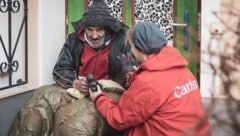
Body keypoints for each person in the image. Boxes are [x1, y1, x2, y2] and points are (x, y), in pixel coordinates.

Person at [9, 0, 137, 135]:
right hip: (77, 89)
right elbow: (60, 69)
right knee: (40, 97)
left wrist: (115, 81)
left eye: (99, 30)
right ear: (84, 28)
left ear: (107, 28)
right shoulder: (74, 39)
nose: (94, 36)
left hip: (106, 93)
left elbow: (132, 73)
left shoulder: (122, 41)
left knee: (77, 123)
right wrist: (74, 82)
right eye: (90, 30)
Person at [89, 22, 212, 136]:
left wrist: (99, 98)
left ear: (139, 47)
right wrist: (135, 77)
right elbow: (158, 89)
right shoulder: (182, 70)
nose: (130, 50)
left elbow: (118, 119)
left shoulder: (149, 82)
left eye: (131, 46)